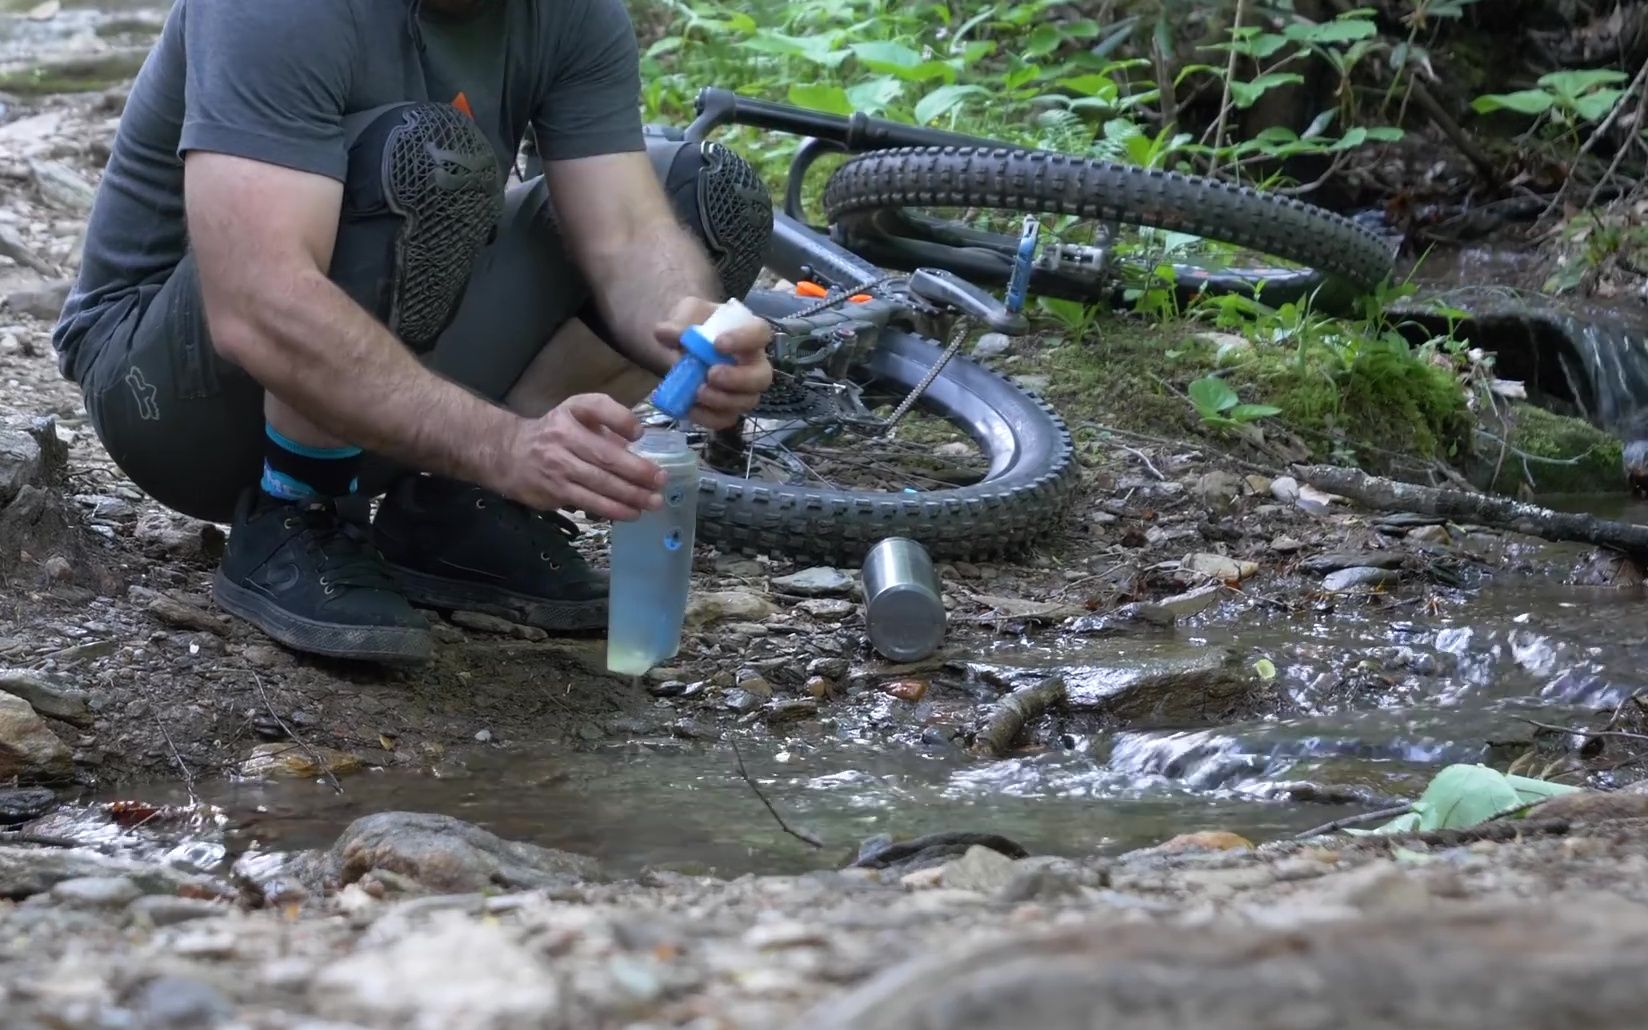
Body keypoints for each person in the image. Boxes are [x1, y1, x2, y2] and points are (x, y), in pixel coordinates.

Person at [49, 0, 778, 665]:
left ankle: (460, 514)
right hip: (169, 395)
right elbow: (257, 301)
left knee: (706, 202)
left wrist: (693, 324)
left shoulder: (574, 16)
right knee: (427, 159)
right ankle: (299, 506)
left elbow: (624, 233)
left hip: (379, 363)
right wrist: (502, 445)